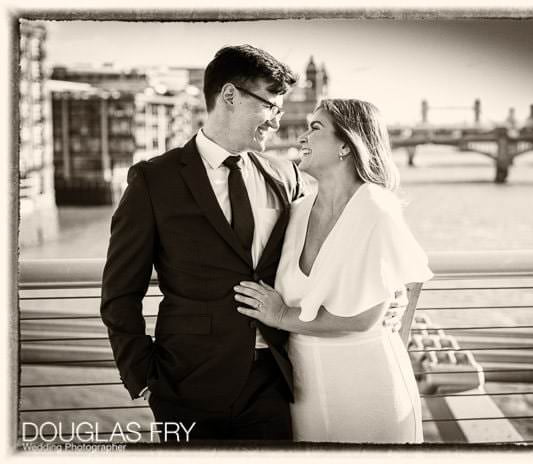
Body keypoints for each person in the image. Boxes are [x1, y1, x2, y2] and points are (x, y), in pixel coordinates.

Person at [100, 45, 303, 442]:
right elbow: (120, 292)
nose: (277, 122)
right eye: (270, 106)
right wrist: (141, 376)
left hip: (273, 382)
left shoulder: (286, 177)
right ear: (229, 96)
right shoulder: (153, 181)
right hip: (185, 385)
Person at [235, 99, 433, 443]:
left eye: (315, 128)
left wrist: (280, 314)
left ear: (347, 143)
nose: (300, 138)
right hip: (305, 388)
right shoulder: (295, 212)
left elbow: (364, 317)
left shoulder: (375, 207)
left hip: (368, 385)